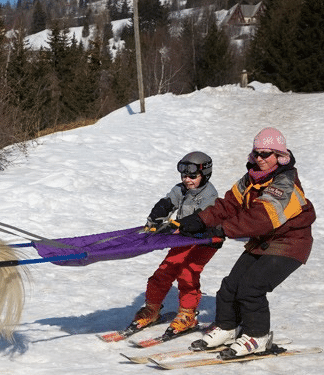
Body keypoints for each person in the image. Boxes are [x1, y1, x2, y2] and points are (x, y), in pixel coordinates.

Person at [177, 127, 316, 358]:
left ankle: (257, 336)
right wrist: (199, 219)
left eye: (267, 154)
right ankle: (227, 328)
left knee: (252, 288)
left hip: (290, 243)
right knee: (231, 285)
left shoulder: (285, 184)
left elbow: (260, 218)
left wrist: (222, 229)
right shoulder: (252, 177)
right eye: (257, 153)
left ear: (279, 156)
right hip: (264, 240)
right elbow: (228, 205)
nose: (260, 159)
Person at [130, 151, 220, 338]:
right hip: (182, 238)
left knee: (187, 272)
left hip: (205, 240)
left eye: (192, 176)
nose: (187, 180)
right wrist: (155, 218)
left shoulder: (209, 195)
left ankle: (188, 314)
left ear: (205, 174)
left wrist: (175, 226)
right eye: (184, 175)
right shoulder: (181, 189)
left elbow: (200, 221)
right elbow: (167, 203)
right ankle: (152, 309)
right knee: (165, 270)